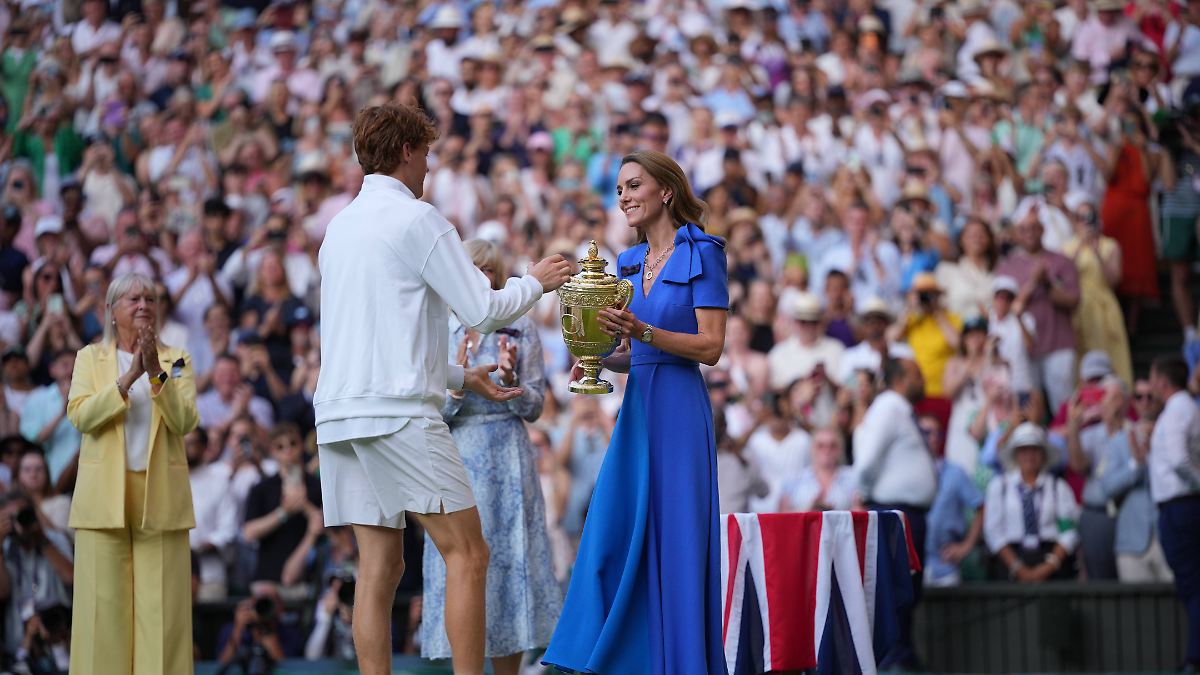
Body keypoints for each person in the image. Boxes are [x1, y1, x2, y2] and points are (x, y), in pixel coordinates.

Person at [313, 104, 570, 675]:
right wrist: (537, 281)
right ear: (405, 151)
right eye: (425, 153)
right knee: (469, 553)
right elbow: (481, 311)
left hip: (338, 416)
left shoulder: (338, 229)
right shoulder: (417, 219)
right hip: (398, 415)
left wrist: (457, 376)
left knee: (379, 569)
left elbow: (374, 334)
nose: (428, 166)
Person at [543, 150, 728, 674]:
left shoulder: (703, 253)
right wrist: (594, 355)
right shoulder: (623, 265)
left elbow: (710, 346)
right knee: (612, 529)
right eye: (619, 189)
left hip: (680, 414)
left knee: (678, 541)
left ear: (665, 192)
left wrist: (642, 332)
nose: (622, 196)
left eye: (633, 186)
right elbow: (631, 352)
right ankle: (599, 657)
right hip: (638, 408)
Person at [420, 239, 562, 675]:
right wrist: (459, 383)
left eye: (487, 270)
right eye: (472, 269)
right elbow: (433, 410)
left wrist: (514, 381)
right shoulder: (440, 330)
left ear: (497, 278)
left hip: (508, 458)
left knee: (507, 565)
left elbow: (536, 407)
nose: (480, 277)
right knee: (462, 563)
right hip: (459, 456)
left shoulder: (520, 328)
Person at [65, 272, 199, 675]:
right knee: (101, 615)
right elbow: (81, 416)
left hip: (160, 495)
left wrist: (156, 371)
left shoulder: (176, 360)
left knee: (163, 616)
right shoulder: (89, 358)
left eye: (150, 298)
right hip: (104, 496)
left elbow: (185, 420)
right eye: (133, 299)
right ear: (111, 312)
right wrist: (128, 378)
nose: (143, 305)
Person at [852, 357, 937, 669]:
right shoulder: (889, 405)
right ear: (900, 379)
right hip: (893, 514)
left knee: (907, 590)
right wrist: (865, 494)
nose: (923, 378)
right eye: (916, 373)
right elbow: (867, 459)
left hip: (905, 514)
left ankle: (901, 657)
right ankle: (893, 662)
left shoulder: (898, 409)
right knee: (897, 590)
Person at [1148, 356, 1200, 671]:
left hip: (1181, 506)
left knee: (1193, 585)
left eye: (1152, 379)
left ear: (1163, 382)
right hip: (1181, 505)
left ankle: (1194, 660)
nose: (1151, 385)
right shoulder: (1181, 408)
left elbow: (1180, 459)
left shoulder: (1180, 408)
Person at [984, 422, 1080, 582]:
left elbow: (1069, 530)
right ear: (1015, 454)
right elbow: (993, 532)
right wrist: (1018, 568)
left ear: (1043, 453)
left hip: (1051, 559)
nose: (1029, 455)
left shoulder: (1057, 487)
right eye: (1023, 450)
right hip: (1010, 560)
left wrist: (1048, 566)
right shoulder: (1000, 486)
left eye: (1034, 449)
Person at [778, 426, 860, 512]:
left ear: (840, 449)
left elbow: (860, 512)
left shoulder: (853, 477)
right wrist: (808, 510)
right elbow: (783, 517)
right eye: (820, 446)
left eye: (832, 446)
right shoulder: (793, 479)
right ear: (812, 448)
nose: (827, 450)